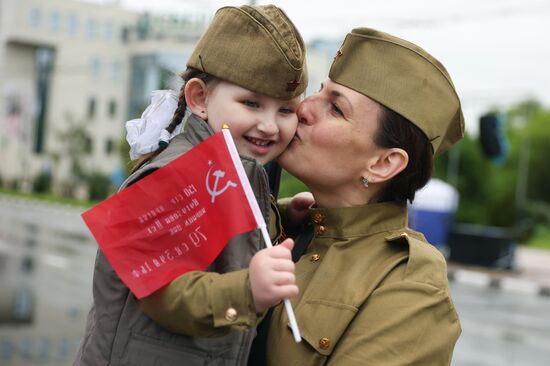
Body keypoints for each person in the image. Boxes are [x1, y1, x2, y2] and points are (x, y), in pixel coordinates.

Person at [141, 26, 464, 365]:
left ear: (383, 163)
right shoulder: (278, 224)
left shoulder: (410, 284)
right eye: (319, 93)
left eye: (336, 109)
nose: (304, 108)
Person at [74, 5, 307, 365]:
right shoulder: (173, 176)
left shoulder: (241, 165)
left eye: (286, 110)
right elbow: (162, 290)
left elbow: (228, 237)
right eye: (251, 103)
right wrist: (248, 291)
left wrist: (284, 216)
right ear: (199, 99)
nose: (270, 126)